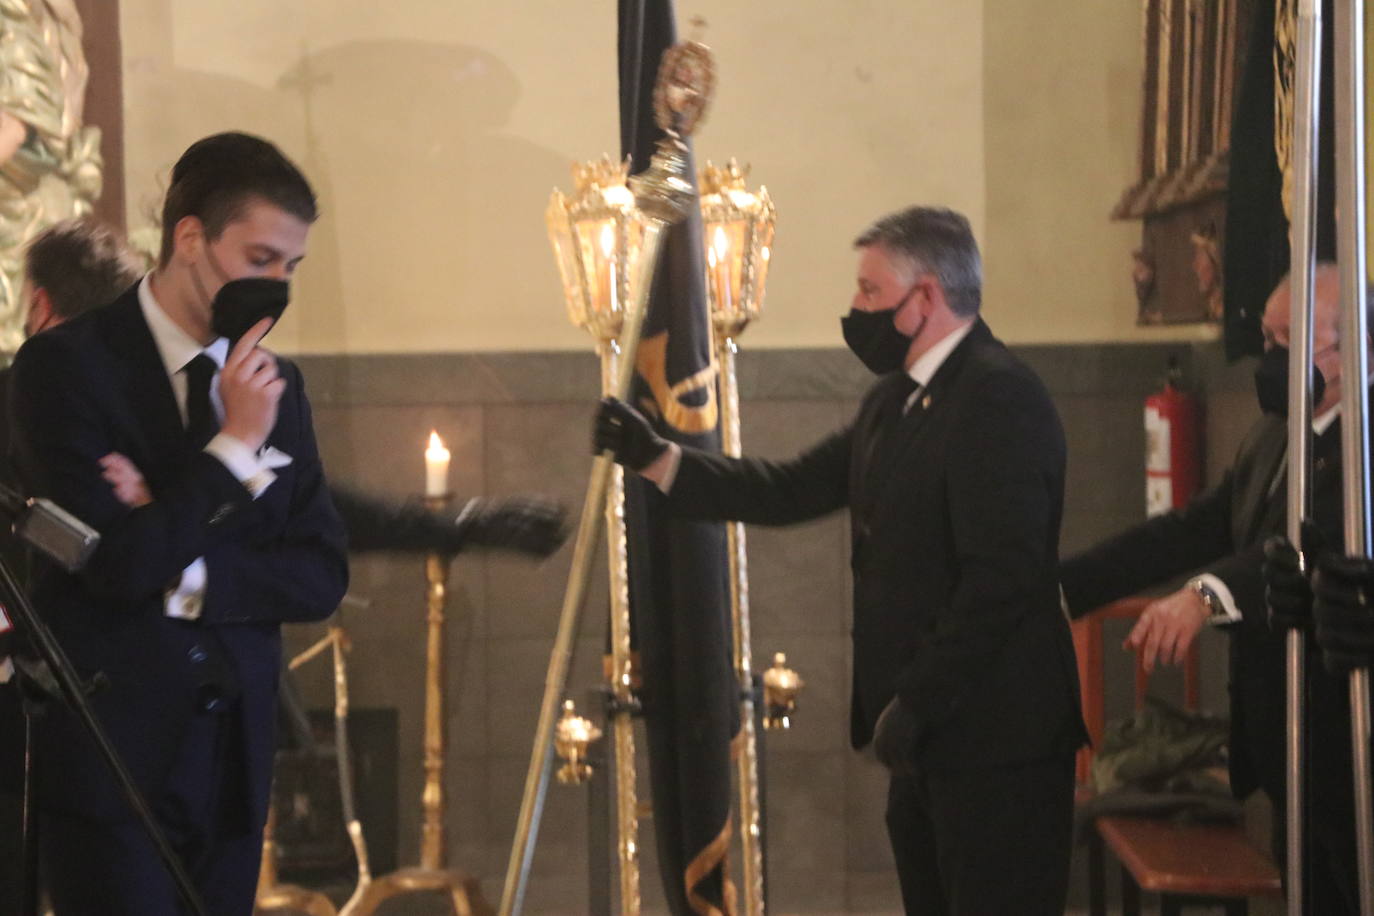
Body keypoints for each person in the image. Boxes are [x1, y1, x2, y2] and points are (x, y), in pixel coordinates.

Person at [594, 206, 1086, 915]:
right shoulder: (895, 399)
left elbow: (1002, 581)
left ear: (925, 298)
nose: (856, 308)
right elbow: (789, 487)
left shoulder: (999, 396)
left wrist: (918, 700)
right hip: (928, 742)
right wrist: (658, 458)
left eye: (870, 291)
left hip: (998, 742)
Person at [7, 132, 348, 915]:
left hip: (231, 766)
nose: (277, 286)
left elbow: (320, 574)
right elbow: (113, 565)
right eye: (260, 259)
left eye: (291, 267)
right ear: (190, 239)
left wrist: (182, 563)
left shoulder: (279, 386)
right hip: (113, 762)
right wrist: (233, 449)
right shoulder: (66, 368)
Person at [1059, 263, 1364, 912]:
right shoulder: (1275, 431)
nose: (1269, 356)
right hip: (1286, 745)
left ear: (1352, 348)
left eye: (1289, 342)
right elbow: (1198, 528)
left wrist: (1205, 595)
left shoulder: (1365, 446)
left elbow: (1312, 545)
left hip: (1350, 743)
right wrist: (1063, 589)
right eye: (1268, 338)